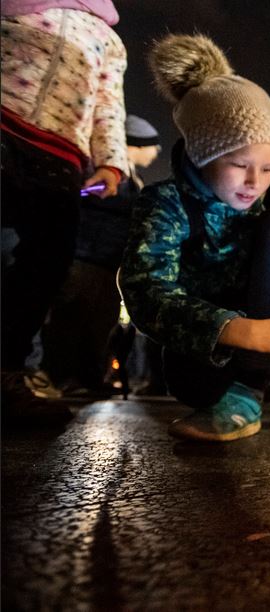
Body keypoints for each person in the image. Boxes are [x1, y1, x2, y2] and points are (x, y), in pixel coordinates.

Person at [119, 34, 270, 442]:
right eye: (240, 165)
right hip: (201, 357)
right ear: (204, 154)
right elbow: (146, 291)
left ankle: (252, 388)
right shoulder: (166, 202)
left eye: (268, 168)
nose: (255, 182)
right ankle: (232, 392)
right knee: (195, 380)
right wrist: (245, 330)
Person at [1, 0, 128, 423]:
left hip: (60, 155)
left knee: (50, 259)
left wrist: (111, 160)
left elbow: (108, 103)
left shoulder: (107, 38)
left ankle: (6, 371)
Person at [37, 115, 162, 398]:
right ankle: (57, 377)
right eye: (153, 145)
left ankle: (89, 377)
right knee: (70, 319)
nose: (156, 153)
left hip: (109, 263)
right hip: (85, 256)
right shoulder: (105, 171)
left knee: (100, 322)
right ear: (137, 143)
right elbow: (80, 199)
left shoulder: (134, 178)